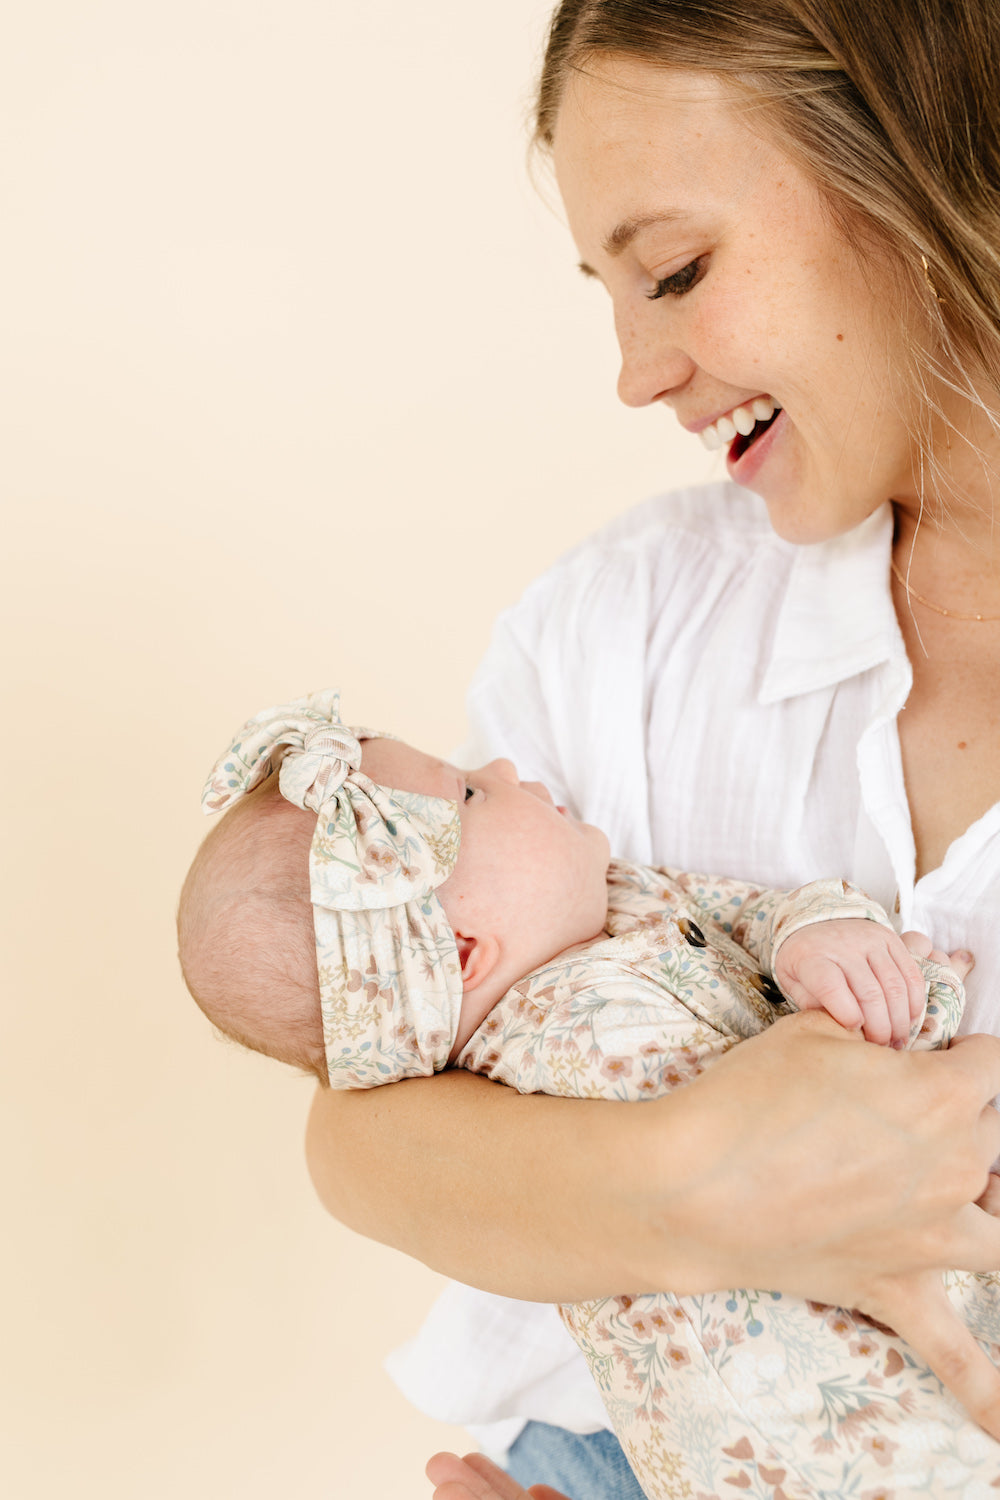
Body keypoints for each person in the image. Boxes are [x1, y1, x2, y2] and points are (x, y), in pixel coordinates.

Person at [303, 2, 1000, 1494]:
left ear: (923, 173)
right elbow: (362, 1137)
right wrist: (701, 1181)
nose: (635, 373)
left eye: (675, 271)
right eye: (611, 293)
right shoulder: (621, 627)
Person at [179, 693, 994, 1495]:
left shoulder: (625, 898)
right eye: (471, 791)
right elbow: (817, 1122)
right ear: (462, 952)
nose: (504, 767)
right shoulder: (560, 1060)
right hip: (803, 1429)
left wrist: (819, 933)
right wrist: (907, 1014)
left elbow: (762, 921)